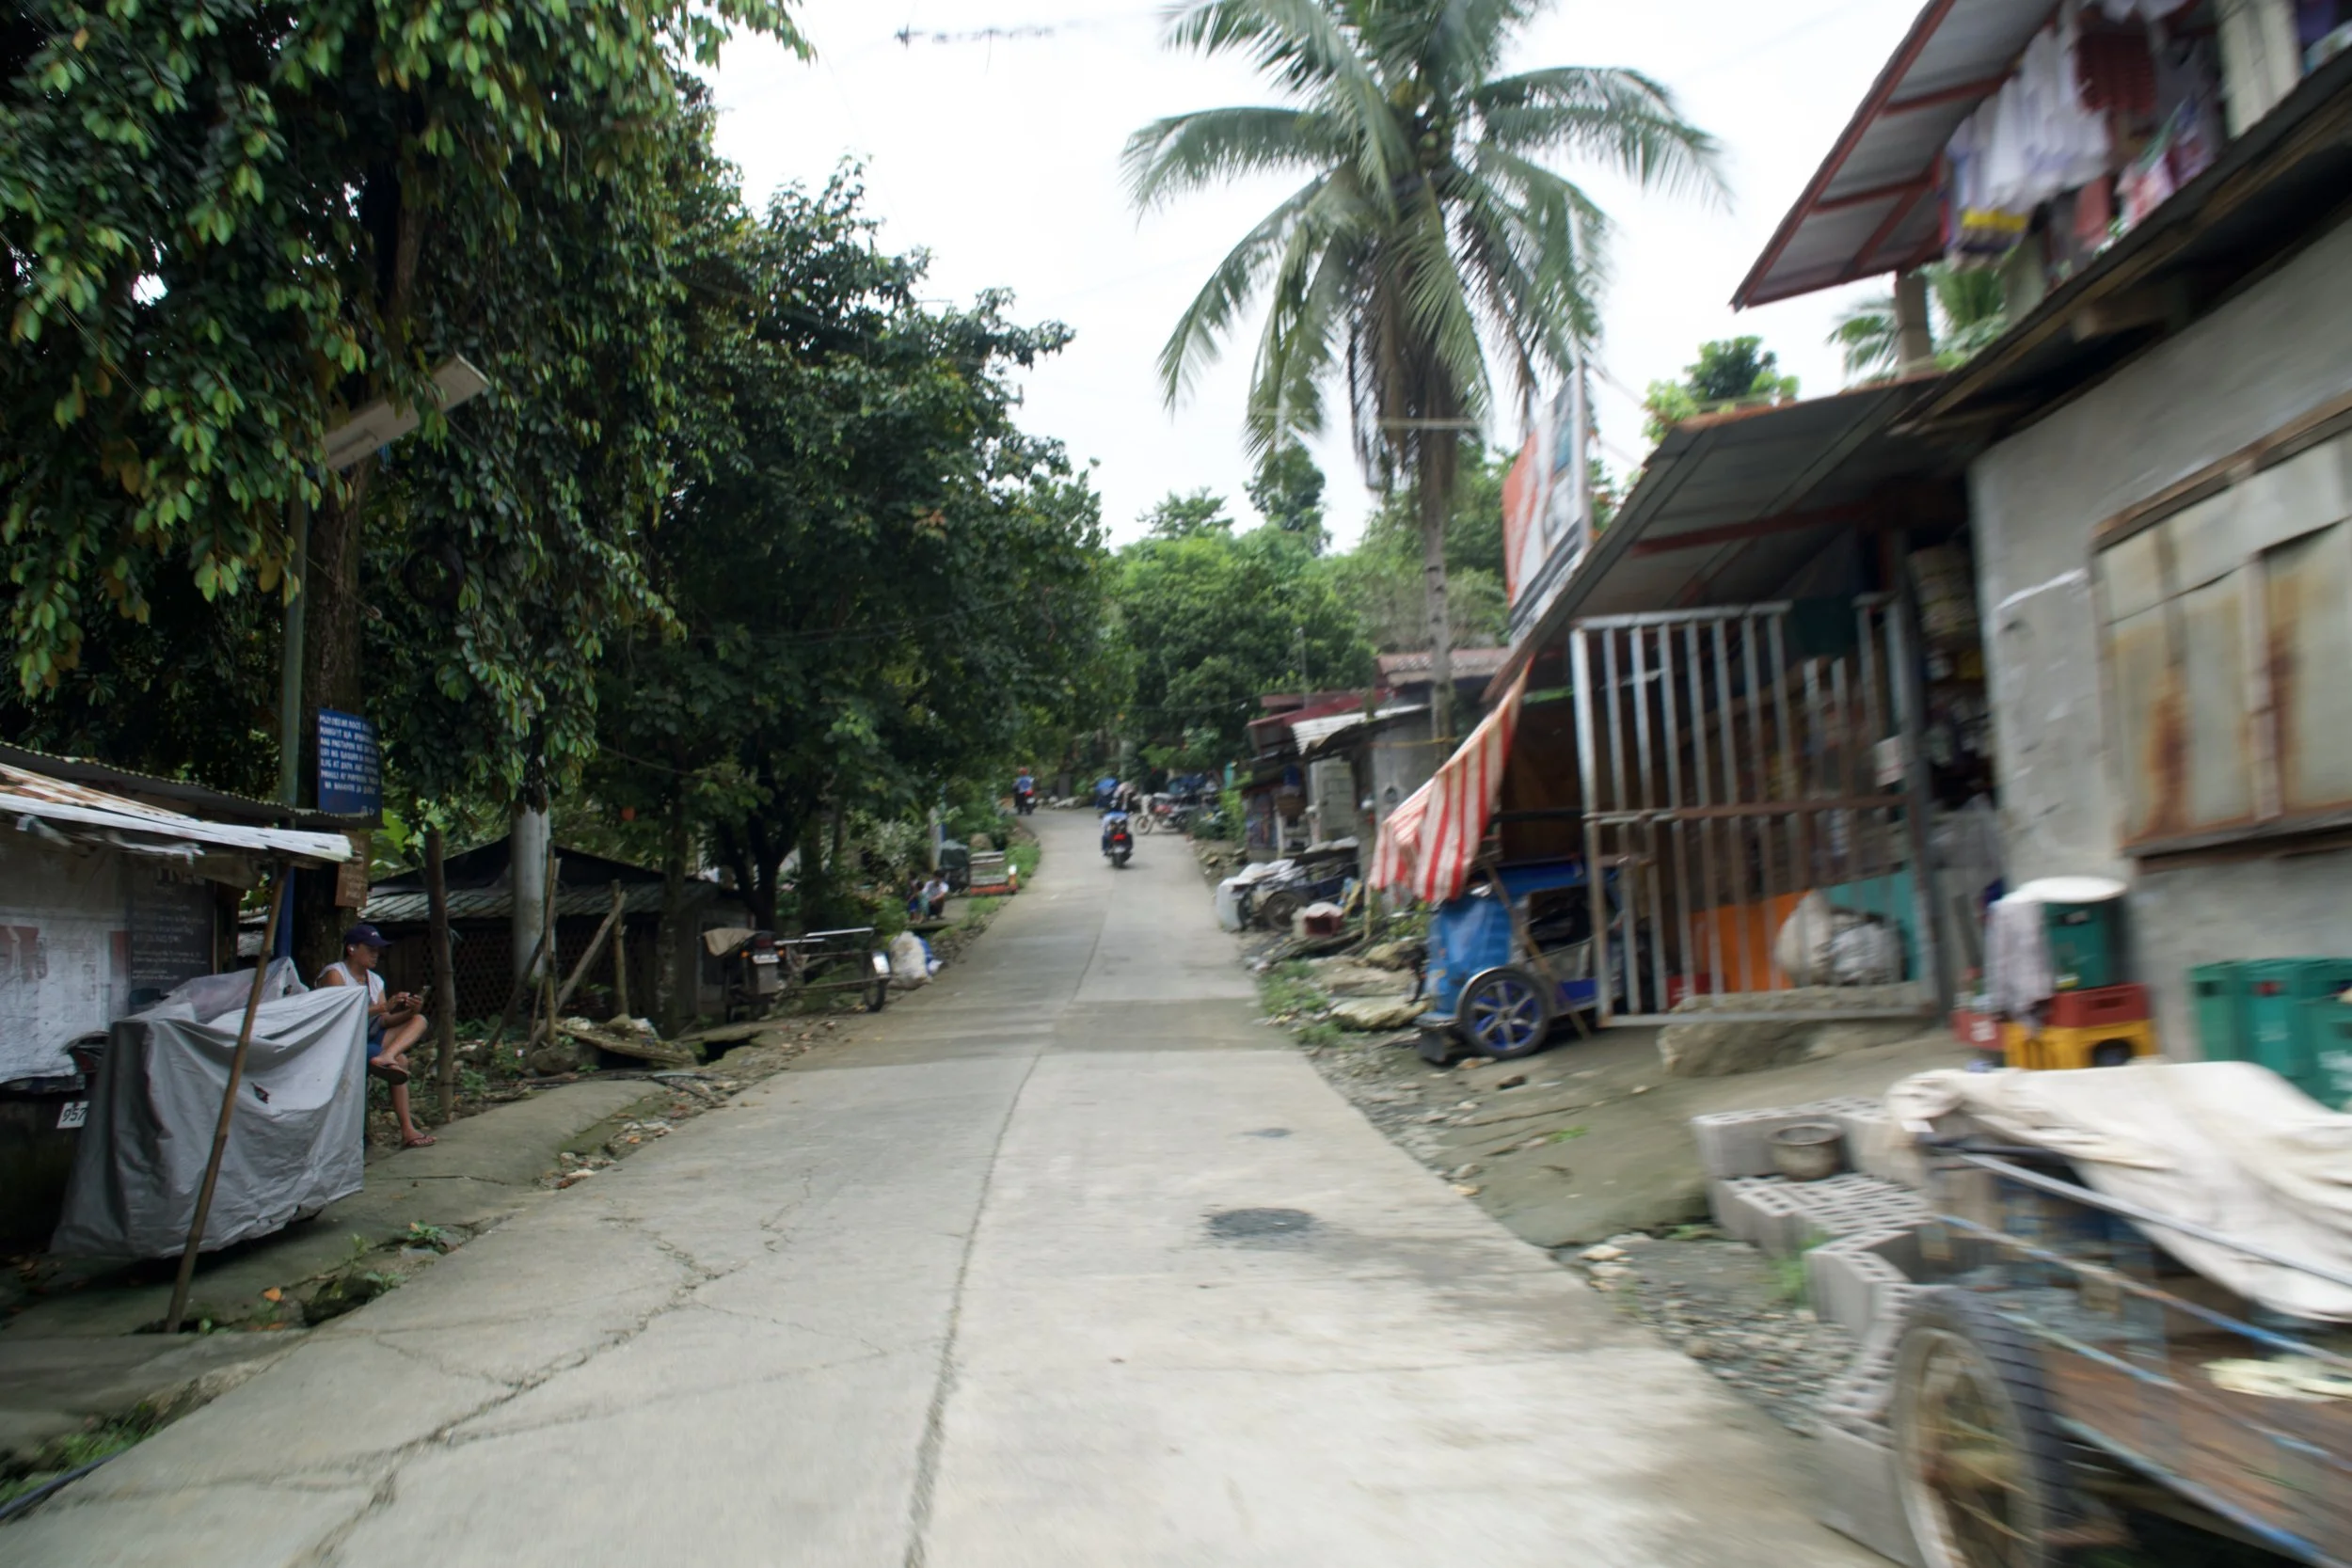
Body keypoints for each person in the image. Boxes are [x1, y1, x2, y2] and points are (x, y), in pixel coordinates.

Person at [318, 924, 436, 1148]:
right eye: (370, 949)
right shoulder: (336, 974)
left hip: (371, 1035)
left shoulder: (375, 979)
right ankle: (408, 1130)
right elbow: (339, 1016)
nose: (376, 954)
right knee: (401, 1063)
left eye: (377, 949)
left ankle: (387, 1055)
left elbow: (384, 1021)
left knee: (419, 1020)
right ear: (352, 949)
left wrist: (410, 1009)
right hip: (345, 1042)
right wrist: (382, 1007)